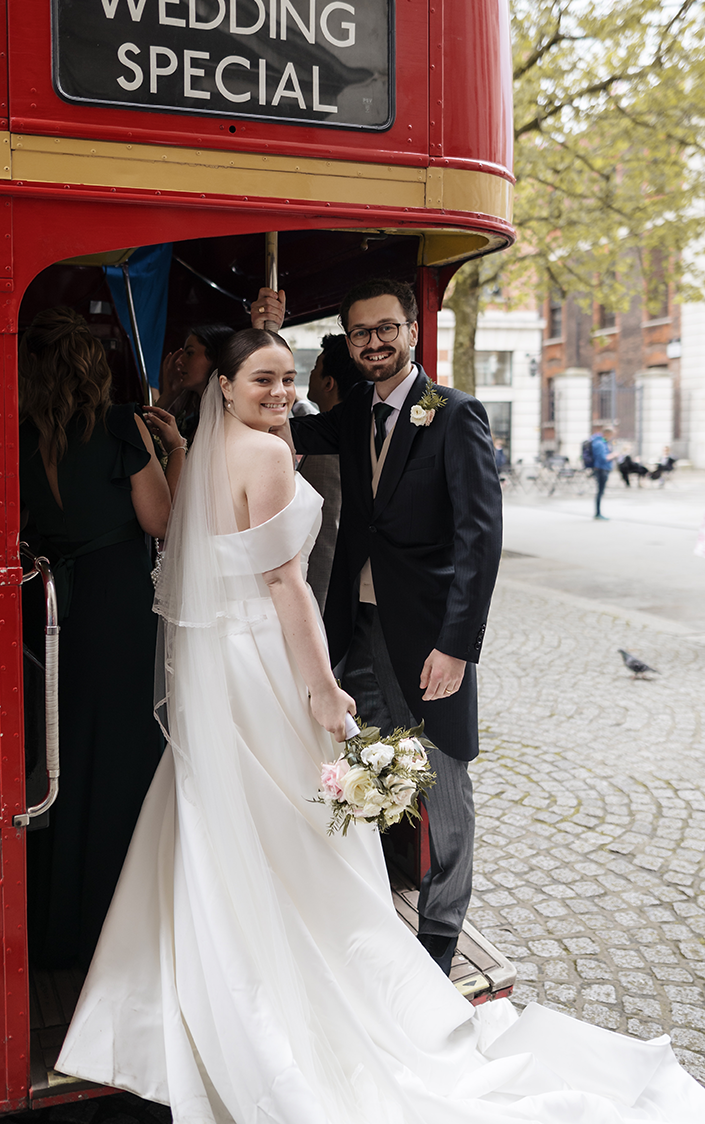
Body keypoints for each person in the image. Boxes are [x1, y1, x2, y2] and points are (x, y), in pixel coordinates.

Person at [56, 327, 704, 1122]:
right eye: (262, 378)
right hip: (266, 658)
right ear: (222, 385)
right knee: (299, 824)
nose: (281, 391)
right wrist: (325, 690)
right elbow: (288, 587)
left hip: (219, 663)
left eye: (290, 377)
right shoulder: (261, 457)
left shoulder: (208, 447)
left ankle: (201, 981)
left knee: (226, 814)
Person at [252, 279, 501, 976]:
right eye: (361, 333)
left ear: (413, 331)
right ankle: (373, 897)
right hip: (354, 628)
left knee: (444, 780)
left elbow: (480, 543)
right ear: (349, 341)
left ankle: (442, 928)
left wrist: (456, 646)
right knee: (368, 766)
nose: (375, 342)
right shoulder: (355, 406)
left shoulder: (455, 415)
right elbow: (278, 423)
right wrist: (271, 336)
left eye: (387, 328)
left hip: (429, 638)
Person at [19, 307, 184, 969]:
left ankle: (60, 922)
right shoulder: (121, 425)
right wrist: (175, 447)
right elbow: (162, 519)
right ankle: (117, 920)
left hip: (54, 603)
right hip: (118, 603)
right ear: (93, 369)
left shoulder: (24, 434)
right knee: (123, 755)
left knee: (67, 754)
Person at [299, 334, 364, 611]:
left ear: (328, 383)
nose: (310, 375)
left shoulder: (327, 450)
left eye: (315, 368)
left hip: (322, 595)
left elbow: (325, 537)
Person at [155, 323, 235, 441]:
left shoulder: (232, 423)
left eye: (189, 353)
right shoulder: (191, 422)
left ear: (215, 356)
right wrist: (168, 395)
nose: (179, 361)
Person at [591, 426, 614, 519]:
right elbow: (603, 458)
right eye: (611, 435)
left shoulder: (602, 442)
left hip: (602, 469)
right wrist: (613, 455)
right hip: (601, 469)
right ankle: (597, 513)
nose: (612, 437)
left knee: (600, 491)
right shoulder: (600, 443)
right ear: (607, 434)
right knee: (600, 491)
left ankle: (598, 513)